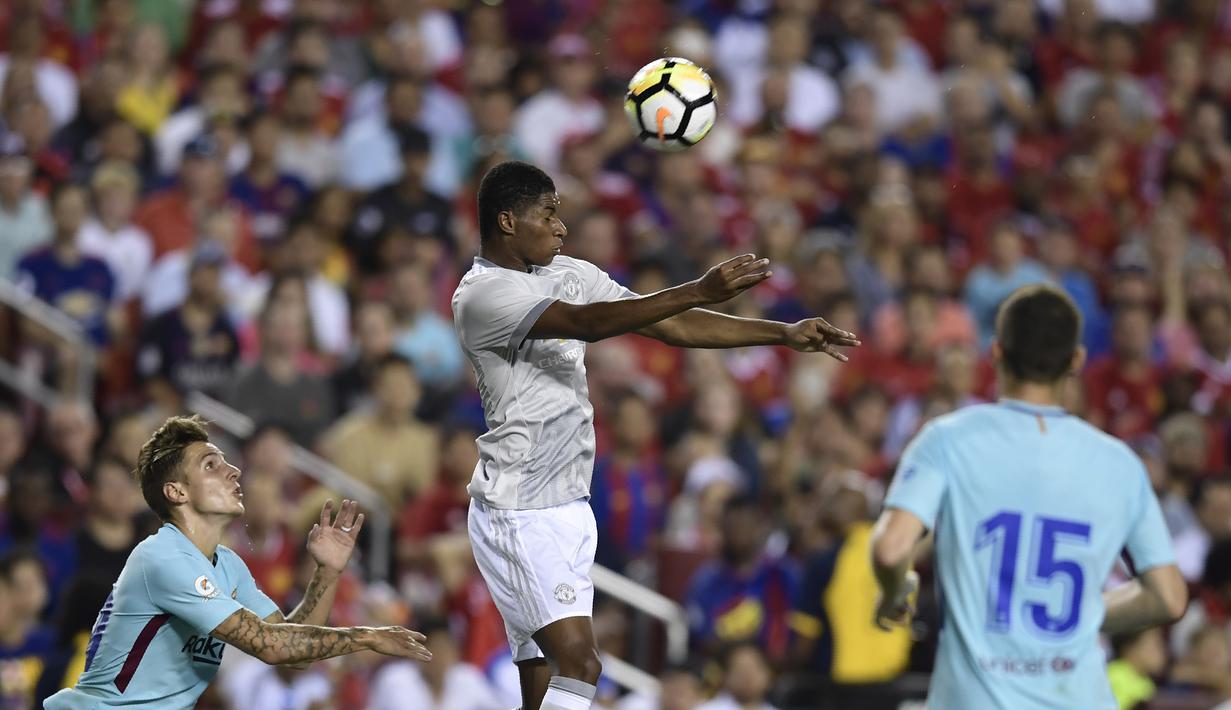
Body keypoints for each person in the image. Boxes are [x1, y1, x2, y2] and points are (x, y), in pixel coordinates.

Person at [452, 160, 858, 710]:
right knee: (582, 663)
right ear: (506, 221)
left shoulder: (569, 272)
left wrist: (781, 333)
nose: (561, 227)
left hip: (569, 502)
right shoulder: (481, 296)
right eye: (548, 214)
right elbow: (587, 324)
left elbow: (670, 325)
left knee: (542, 673)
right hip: (517, 507)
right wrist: (697, 287)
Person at [871, 284, 1187, 709]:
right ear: (1076, 361)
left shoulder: (948, 439)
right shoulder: (1120, 462)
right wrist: (1080, 613)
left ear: (996, 353)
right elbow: (1168, 596)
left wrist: (894, 593)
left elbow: (891, 550)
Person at [44, 415, 432, 709]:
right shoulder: (163, 556)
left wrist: (327, 572)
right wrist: (366, 636)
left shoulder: (226, 564)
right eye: (211, 465)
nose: (234, 471)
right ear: (176, 491)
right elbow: (271, 647)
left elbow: (291, 648)